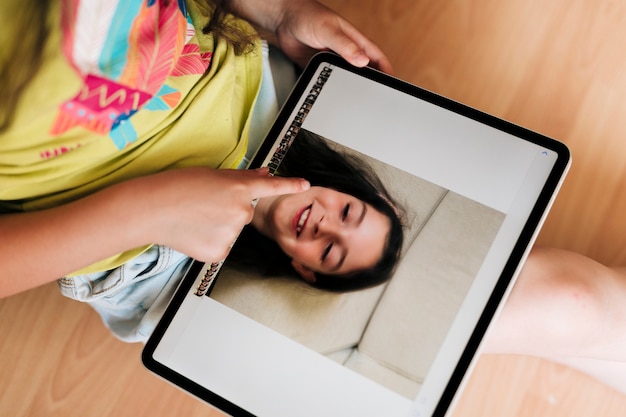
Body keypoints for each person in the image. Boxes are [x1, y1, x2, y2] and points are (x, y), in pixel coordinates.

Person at [2, 0, 625, 397]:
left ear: (301, 269)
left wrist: (277, 10)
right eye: (348, 218)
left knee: (580, 307)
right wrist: (151, 210)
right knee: (576, 306)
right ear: (346, 190)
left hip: (242, 89)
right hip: (149, 248)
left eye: (331, 254)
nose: (325, 229)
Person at [232, 128, 405, 292]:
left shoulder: (211, 248)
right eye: (345, 212)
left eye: (329, 250)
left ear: (305, 268)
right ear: (341, 188)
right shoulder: (276, 118)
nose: (324, 227)